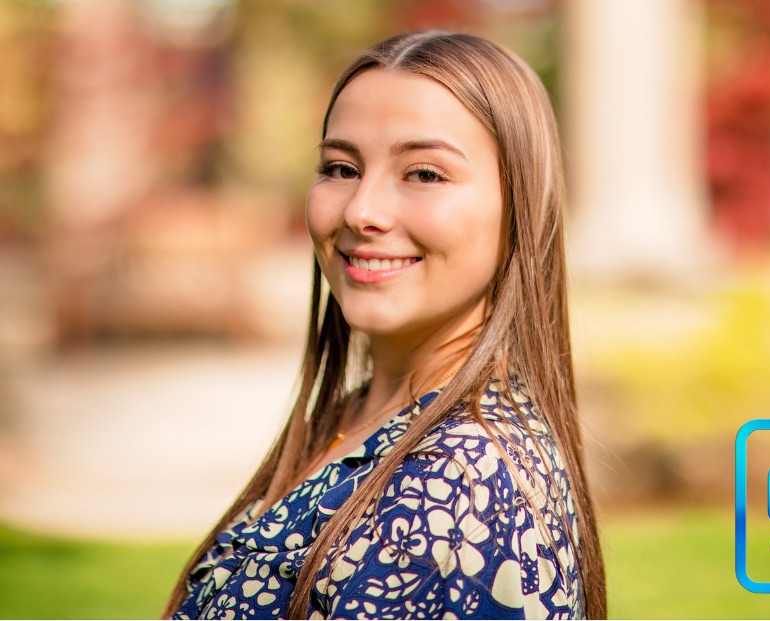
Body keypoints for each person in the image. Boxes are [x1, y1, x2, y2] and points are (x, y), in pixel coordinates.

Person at [163, 31, 606, 620]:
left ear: (520, 206)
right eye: (341, 167)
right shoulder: (357, 420)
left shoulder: (464, 481)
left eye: (425, 174)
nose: (361, 211)